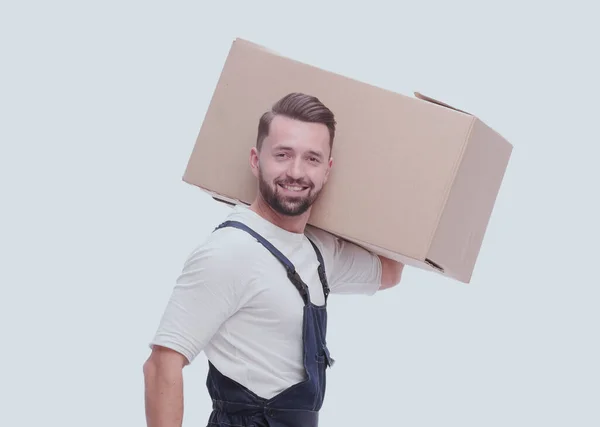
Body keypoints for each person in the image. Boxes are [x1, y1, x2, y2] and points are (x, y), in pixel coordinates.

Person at [143, 92, 404, 427]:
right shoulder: (229, 252)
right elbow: (161, 365)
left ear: (328, 170)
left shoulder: (318, 252)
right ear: (256, 160)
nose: (295, 171)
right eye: (283, 155)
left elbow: (391, 272)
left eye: (312, 159)